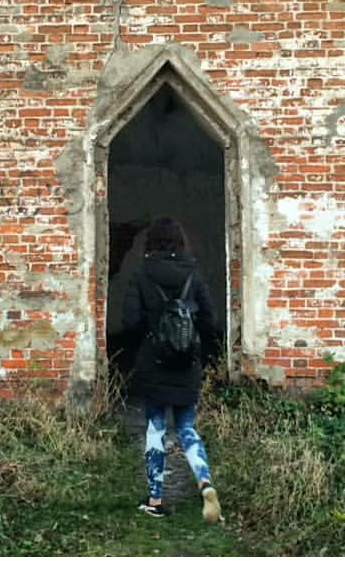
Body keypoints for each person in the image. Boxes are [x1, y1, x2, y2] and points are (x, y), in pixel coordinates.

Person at [121, 215, 221, 523]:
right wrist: (197, 349)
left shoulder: (142, 273)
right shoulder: (194, 272)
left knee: (155, 428)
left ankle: (155, 498)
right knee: (187, 427)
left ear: (151, 242)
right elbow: (209, 319)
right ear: (180, 242)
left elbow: (130, 322)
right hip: (187, 363)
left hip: (155, 362)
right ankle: (204, 480)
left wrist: (148, 336)